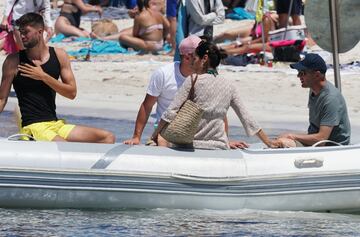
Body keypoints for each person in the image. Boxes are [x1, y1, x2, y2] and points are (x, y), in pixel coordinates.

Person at [0, 13, 115, 143]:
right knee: (64, 146)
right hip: (33, 127)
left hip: (56, 125)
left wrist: (43, 76)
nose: (22, 36)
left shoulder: (60, 55)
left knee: (107, 137)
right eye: (21, 32)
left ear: (40, 32)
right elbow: (2, 99)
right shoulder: (13, 61)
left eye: (26, 32)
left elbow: (71, 93)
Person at [152, 41, 280, 149]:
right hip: (220, 146)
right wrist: (268, 142)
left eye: (195, 58)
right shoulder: (229, 85)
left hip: (192, 145)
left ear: (204, 59)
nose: (192, 63)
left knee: (161, 137)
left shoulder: (193, 80)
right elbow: (247, 118)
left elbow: (171, 112)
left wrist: (154, 135)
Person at [123, 35, 201, 145]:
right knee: (161, 142)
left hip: (195, 134)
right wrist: (136, 137)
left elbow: (217, 108)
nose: (205, 58)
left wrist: (224, 139)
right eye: (201, 55)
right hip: (164, 131)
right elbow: (147, 106)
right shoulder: (163, 74)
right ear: (188, 57)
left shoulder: (205, 75)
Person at [277, 53, 351, 147]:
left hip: (331, 147)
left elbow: (322, 139)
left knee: (283, 143)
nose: (298, 76)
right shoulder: (314, 90)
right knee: (280, 140)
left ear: (317, 75)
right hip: (317, 142)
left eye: (302, 73)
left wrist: (292, 136)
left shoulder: (331, 99)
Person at [98, 0, 169, 53]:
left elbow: (135, 34)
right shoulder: (159, 14)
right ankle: (104, 38)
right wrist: (163, 38)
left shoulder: (139, 17)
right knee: (125, 31)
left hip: (149, 45)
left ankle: (104, 38)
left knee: (123, 37)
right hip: (160, 44)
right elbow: (168, 26)